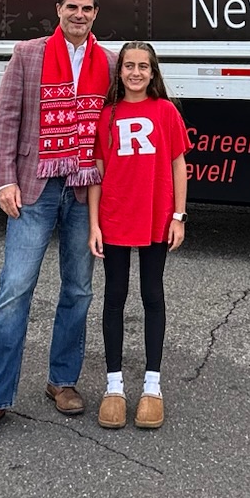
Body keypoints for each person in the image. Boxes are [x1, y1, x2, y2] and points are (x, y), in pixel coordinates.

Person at [0, 0, 113, 445]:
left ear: (95, 13)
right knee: (14, 289)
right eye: (72, 7)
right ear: (58, 9)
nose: (80, 14)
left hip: (83, 187)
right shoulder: (28, 53)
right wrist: (4, 179)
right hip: (35, 187)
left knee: (80, 290)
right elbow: (6, 118)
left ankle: (61, 381)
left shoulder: (106, 61)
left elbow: (110, 130)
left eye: (88, 8)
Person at [87, 42, 188, 431]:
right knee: (114, 297)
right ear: (120, 71)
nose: (135, 72)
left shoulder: (165, 112)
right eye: (129, 65)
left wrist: (178, 216)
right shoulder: (107, 114)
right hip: (114, 218)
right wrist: (94, 224)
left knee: (152, 296)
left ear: (153, 72)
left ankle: (152, 386)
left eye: (143, 66)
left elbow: (179, 166)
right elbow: (97, 173)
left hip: (154, 218)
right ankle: (114, 386)